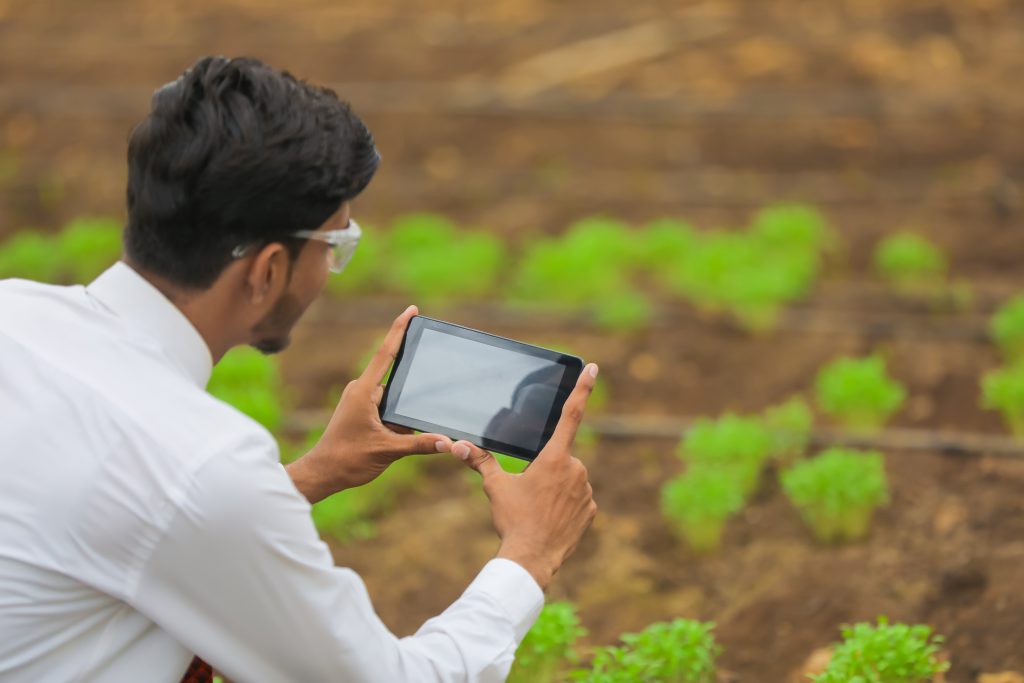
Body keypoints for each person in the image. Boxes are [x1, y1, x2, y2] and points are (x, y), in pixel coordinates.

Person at [0, 56, 598, 682]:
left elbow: (120, 522)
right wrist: (531, 553)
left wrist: (315, 473)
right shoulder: (199, 465)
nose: (332, 272)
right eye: (336, 245)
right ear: (267, 272)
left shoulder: (16, 314)